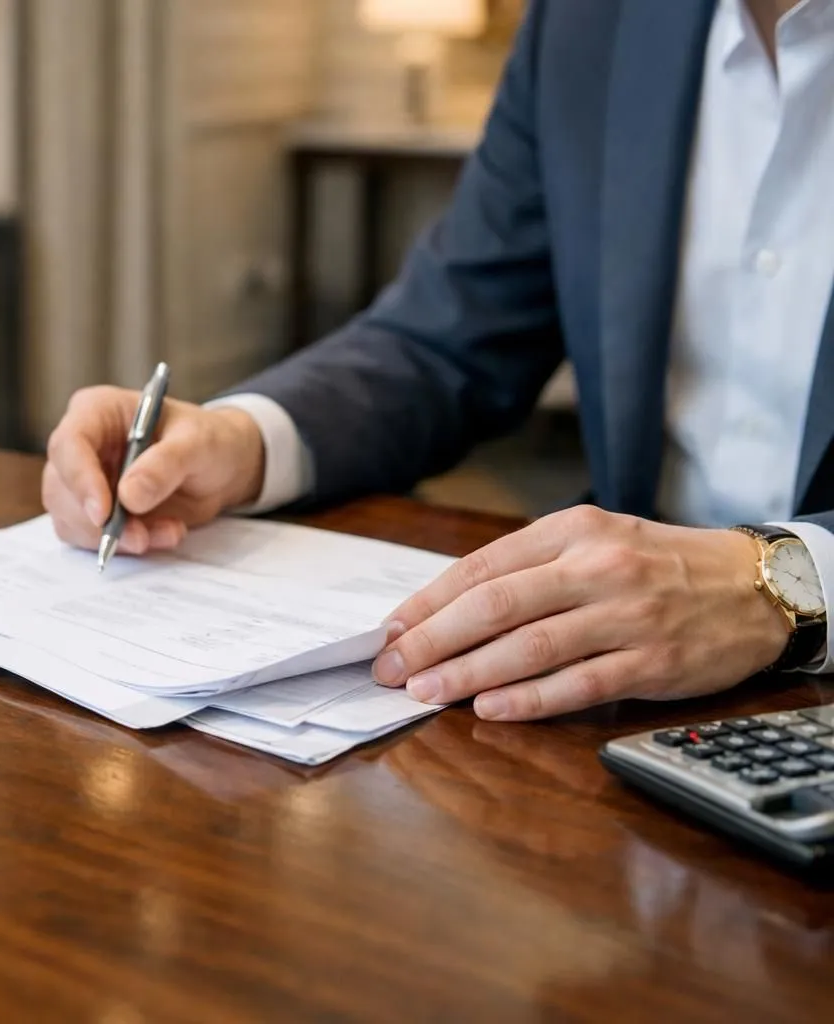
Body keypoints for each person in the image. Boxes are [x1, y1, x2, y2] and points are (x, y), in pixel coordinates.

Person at [41, 0, 834, 722]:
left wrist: (785, 591)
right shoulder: (588, 19)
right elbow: (449, 330)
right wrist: (240, 440)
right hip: (611, 694)